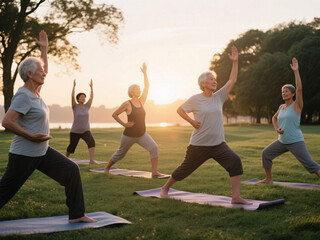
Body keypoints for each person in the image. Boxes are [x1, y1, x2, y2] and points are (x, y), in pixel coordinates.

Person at [0, 30, 96, 223]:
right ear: (29, 74)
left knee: (71, 170)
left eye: (43, 70)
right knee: (5, 191)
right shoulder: (23, 95)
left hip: (42, 152)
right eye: (39, 71)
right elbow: (6, 121)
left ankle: (77, 215)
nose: (44, 73)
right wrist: (31, 136)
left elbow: (45, 71)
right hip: (24, 153)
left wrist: (44, 50)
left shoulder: (36, 91)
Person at [160, 46, 251, 205]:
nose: (214, 81)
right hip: (199, 145)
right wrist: (192, 122)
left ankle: (236, 197)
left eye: (215, 79)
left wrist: (235, 62)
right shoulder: (195, 99)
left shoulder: (219, 97)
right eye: (211, 79)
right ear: (203, 83)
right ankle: (165, 188)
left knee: (235, 162)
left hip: (218, 144)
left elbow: (233, 80)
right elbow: (180, 110)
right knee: (184, 170)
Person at [258, 58, 320, 184]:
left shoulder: (297, 105)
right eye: (282, 92)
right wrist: (276, 128)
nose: (284, 93)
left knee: (310, 165)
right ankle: (268, 179)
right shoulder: (281, 107)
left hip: (295, 141)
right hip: (282, 141)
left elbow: (299, 89)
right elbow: (274, 118)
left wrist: (296, 71)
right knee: (266, 154)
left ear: (292, 94)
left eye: (286, 91)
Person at [104, 63, 164, 178]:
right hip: (129, 135)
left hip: (142, 134)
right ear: (131, 91)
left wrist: (145, 73)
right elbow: (115, 114)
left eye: (139, 89)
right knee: (120, 154)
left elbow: (147, 87)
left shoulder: (142, 101)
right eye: (136, 89)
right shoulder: (127, 103)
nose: (139, 90)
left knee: (154, 147)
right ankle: (107, 168)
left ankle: (155, 172)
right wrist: (124, 124)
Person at [66, 79, 97, 164]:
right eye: (81, 97)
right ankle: (65, 159)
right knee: (72, 147)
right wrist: (74, 87)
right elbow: (72, 97)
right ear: (78, 99)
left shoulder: (87, 106)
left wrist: (91, 88)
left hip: (85, 130)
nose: (83, 98)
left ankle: (91, 160)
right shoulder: (75, 106)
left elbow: (91, 97)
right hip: (75, 131)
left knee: (91, 142)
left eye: (84, 97)